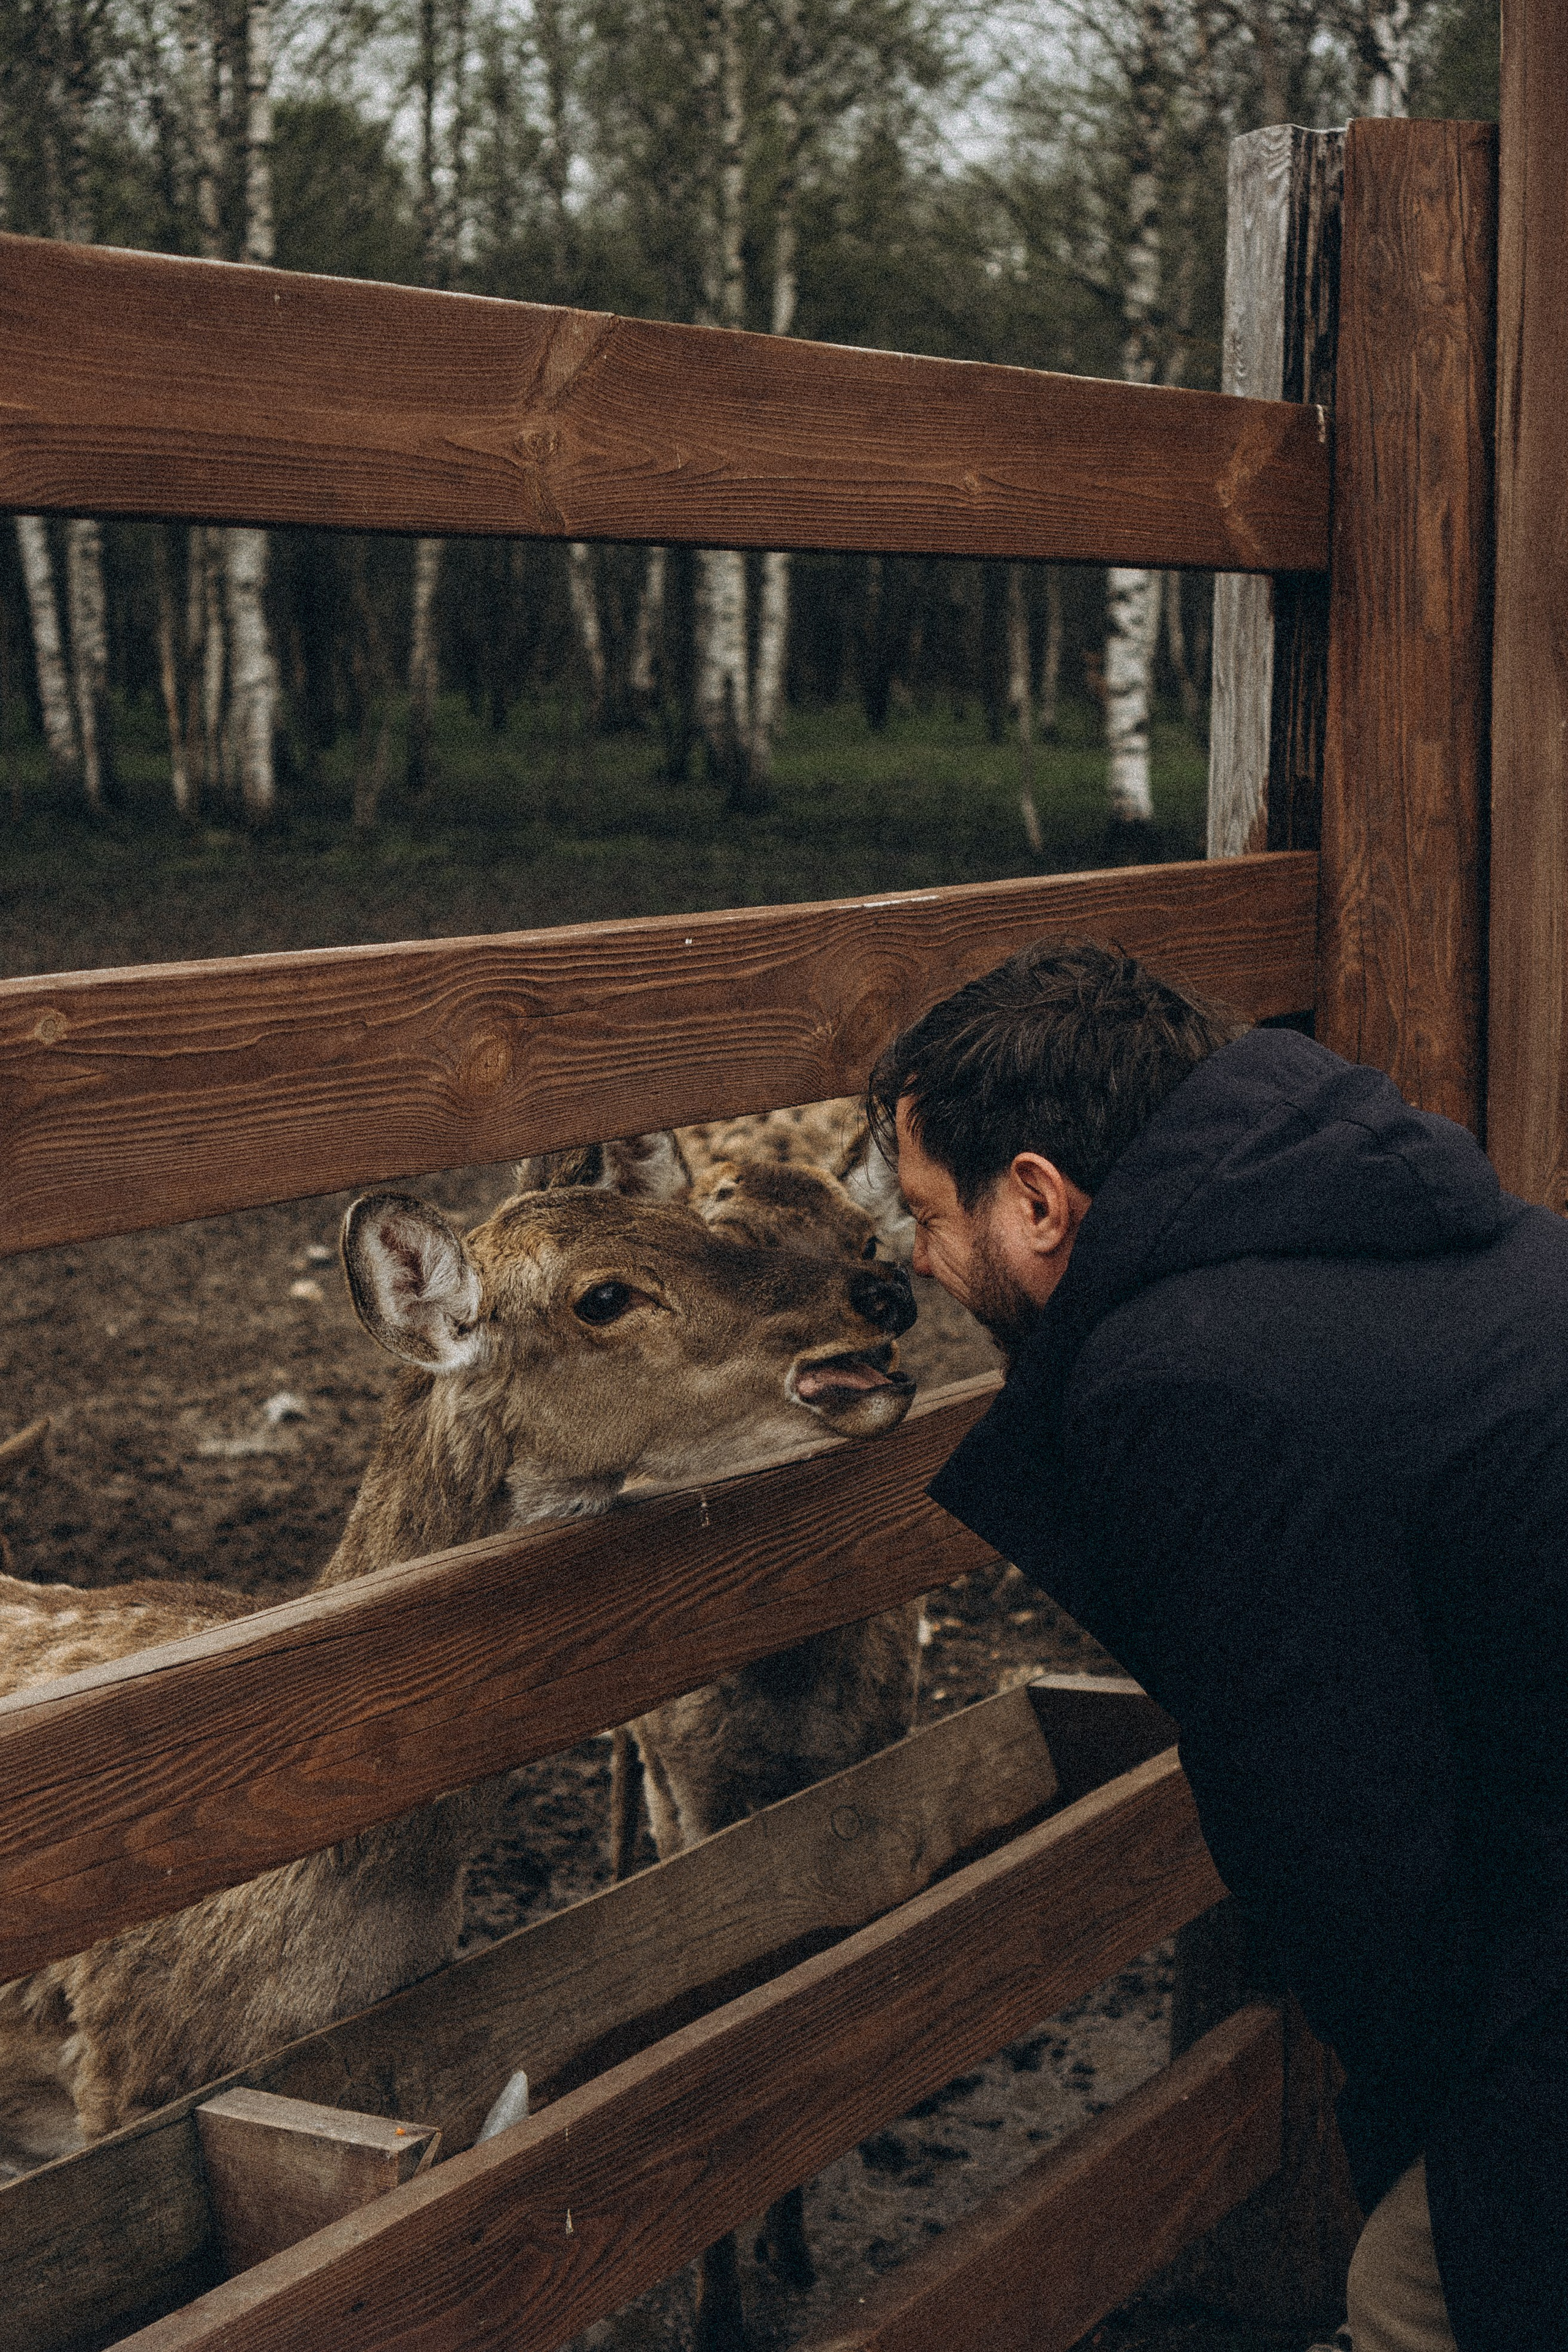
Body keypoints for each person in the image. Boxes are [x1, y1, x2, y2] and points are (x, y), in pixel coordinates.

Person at [867, 937, 1568, 2352]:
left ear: (1039, 1202)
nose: (916, 1260)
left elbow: (1339, 1827)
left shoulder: (1185, 1385)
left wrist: (1429, 2113)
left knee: (1416, 2295)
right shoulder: (1425, 1229)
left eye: (925, 1214)